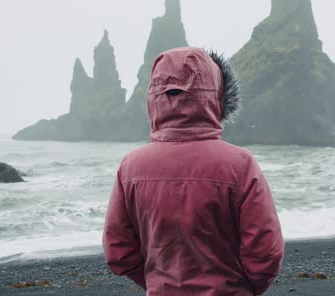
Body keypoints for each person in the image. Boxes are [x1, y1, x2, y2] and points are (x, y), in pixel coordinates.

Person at [103, 47, 284, 295]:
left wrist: (157, 283)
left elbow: (119, 251)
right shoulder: (240, 164)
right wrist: (242, 287)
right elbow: (265, 252)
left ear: (155, 96)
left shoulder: (130, 167)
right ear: (217, 95)